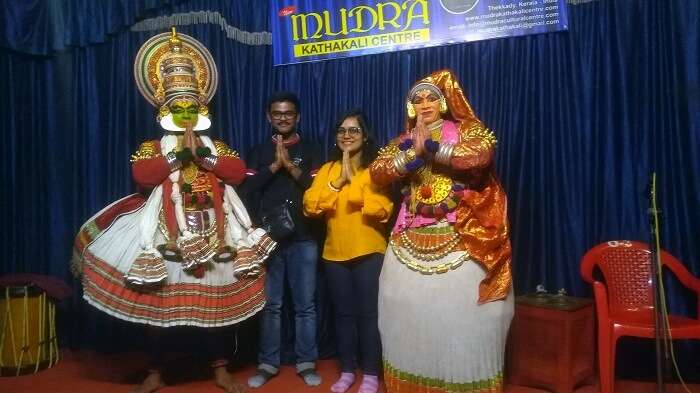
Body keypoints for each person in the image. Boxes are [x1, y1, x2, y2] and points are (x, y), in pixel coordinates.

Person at [71, 28, 275, 393]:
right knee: (158, 307)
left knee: (216, 308)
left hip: (217, 231)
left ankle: (220, 369)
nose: (185, 114)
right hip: (167, 233)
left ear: (201, 109)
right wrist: (180, 155)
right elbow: (143, 175)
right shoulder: (152, 146)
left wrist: (203, 155)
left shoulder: (217, 145)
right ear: (166, 109)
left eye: (191, 108)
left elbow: (235, 172)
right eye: (178, 108)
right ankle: (154, 371)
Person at [369, 69, 514, 393]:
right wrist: (412, 155)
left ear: (444, 102)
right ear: (410, 107)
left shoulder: (468, 130)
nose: (424, 103)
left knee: (464, 319)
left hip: (461, 236)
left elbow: (481, 156)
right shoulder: (402, 141)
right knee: (406, 314)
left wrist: (433, 149)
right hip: (409, 240)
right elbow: (378, 173)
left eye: (431, 96)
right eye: (417, 98)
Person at [303, 109, 392, 393]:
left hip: (369, 251)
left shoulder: (376, 169)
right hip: (334, 255)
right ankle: (346, 371)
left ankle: (370, 374)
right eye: (342, 130)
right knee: (343, 316)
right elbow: (311, 205)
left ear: (365, 137)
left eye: (354, 130)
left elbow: (384, 210)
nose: (347, 135)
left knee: (368, 315)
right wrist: (337, 181)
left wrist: (354, 182)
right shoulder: (327, 169)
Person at [242, 91, 323, 387]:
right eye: (277, 113)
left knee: (305, 305)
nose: (283, 118)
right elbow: (246, 189)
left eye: (288, 113)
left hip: (304, 238)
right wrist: (274, 166)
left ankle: (306, 362)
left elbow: (317, 189)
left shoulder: (313, 149)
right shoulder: (258, 151)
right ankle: (268, 363)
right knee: (272, 305)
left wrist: (290, 166)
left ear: (297, 116)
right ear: (269, 117)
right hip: (269, 241)